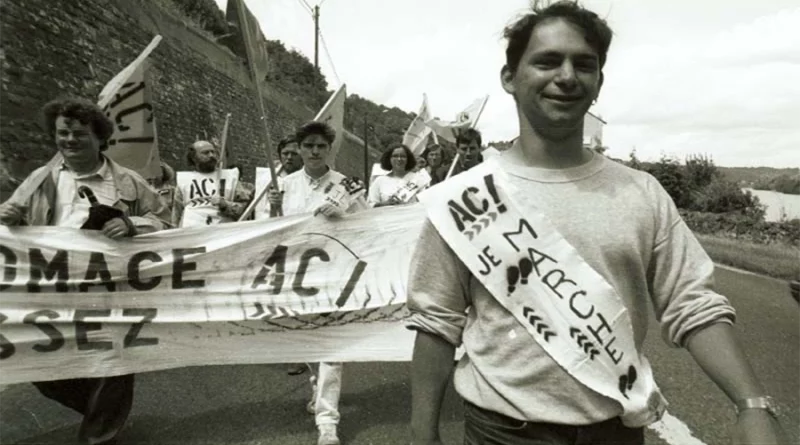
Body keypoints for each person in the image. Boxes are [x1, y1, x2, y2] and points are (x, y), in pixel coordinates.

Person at [407, 3, 786, 445]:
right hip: (502, 432)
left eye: (583, 65)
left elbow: (692, 302)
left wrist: (752, 404)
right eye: (547, 61)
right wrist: (422, 433)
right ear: (509, 78)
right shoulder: (463, 199)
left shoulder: (641, 192)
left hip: (616, 432)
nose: (566, 76)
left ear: (598, 83)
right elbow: (436, 323)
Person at [0, 96, 171, 445]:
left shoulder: (127, 181)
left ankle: (98, 434)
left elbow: (165, 220)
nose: (69, 140)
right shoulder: (39, 178)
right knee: (43, 366)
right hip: (53, 287)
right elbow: (10, 212)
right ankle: (103, 410)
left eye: (79, 133)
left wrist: (132, 223)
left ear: (99, 137)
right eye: (63, 133)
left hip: (111, 287)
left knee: (115, 361)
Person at [267, 121, 367, 445]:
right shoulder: (284, 185)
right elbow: (267, 234)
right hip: (296, 276)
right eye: (308, 145)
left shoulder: (347, 185)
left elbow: (372, 222)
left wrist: (345, 211)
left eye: (320, 146)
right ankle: (316, 382)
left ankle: (327, 422)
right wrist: (271, 207)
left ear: (329, 149)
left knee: (331, 348)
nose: (314, 151)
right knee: (305, 342)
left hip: (334, 275)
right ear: (298, 149)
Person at [174, 140, 252, 227]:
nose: (211, 155)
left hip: (223, 232)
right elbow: (176, 214)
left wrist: (226, 205)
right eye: (205, 153)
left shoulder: (230, 177)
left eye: (213, 152)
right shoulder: (185, 180)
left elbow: (247, 209)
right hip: (193, 233)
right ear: (193, 157)